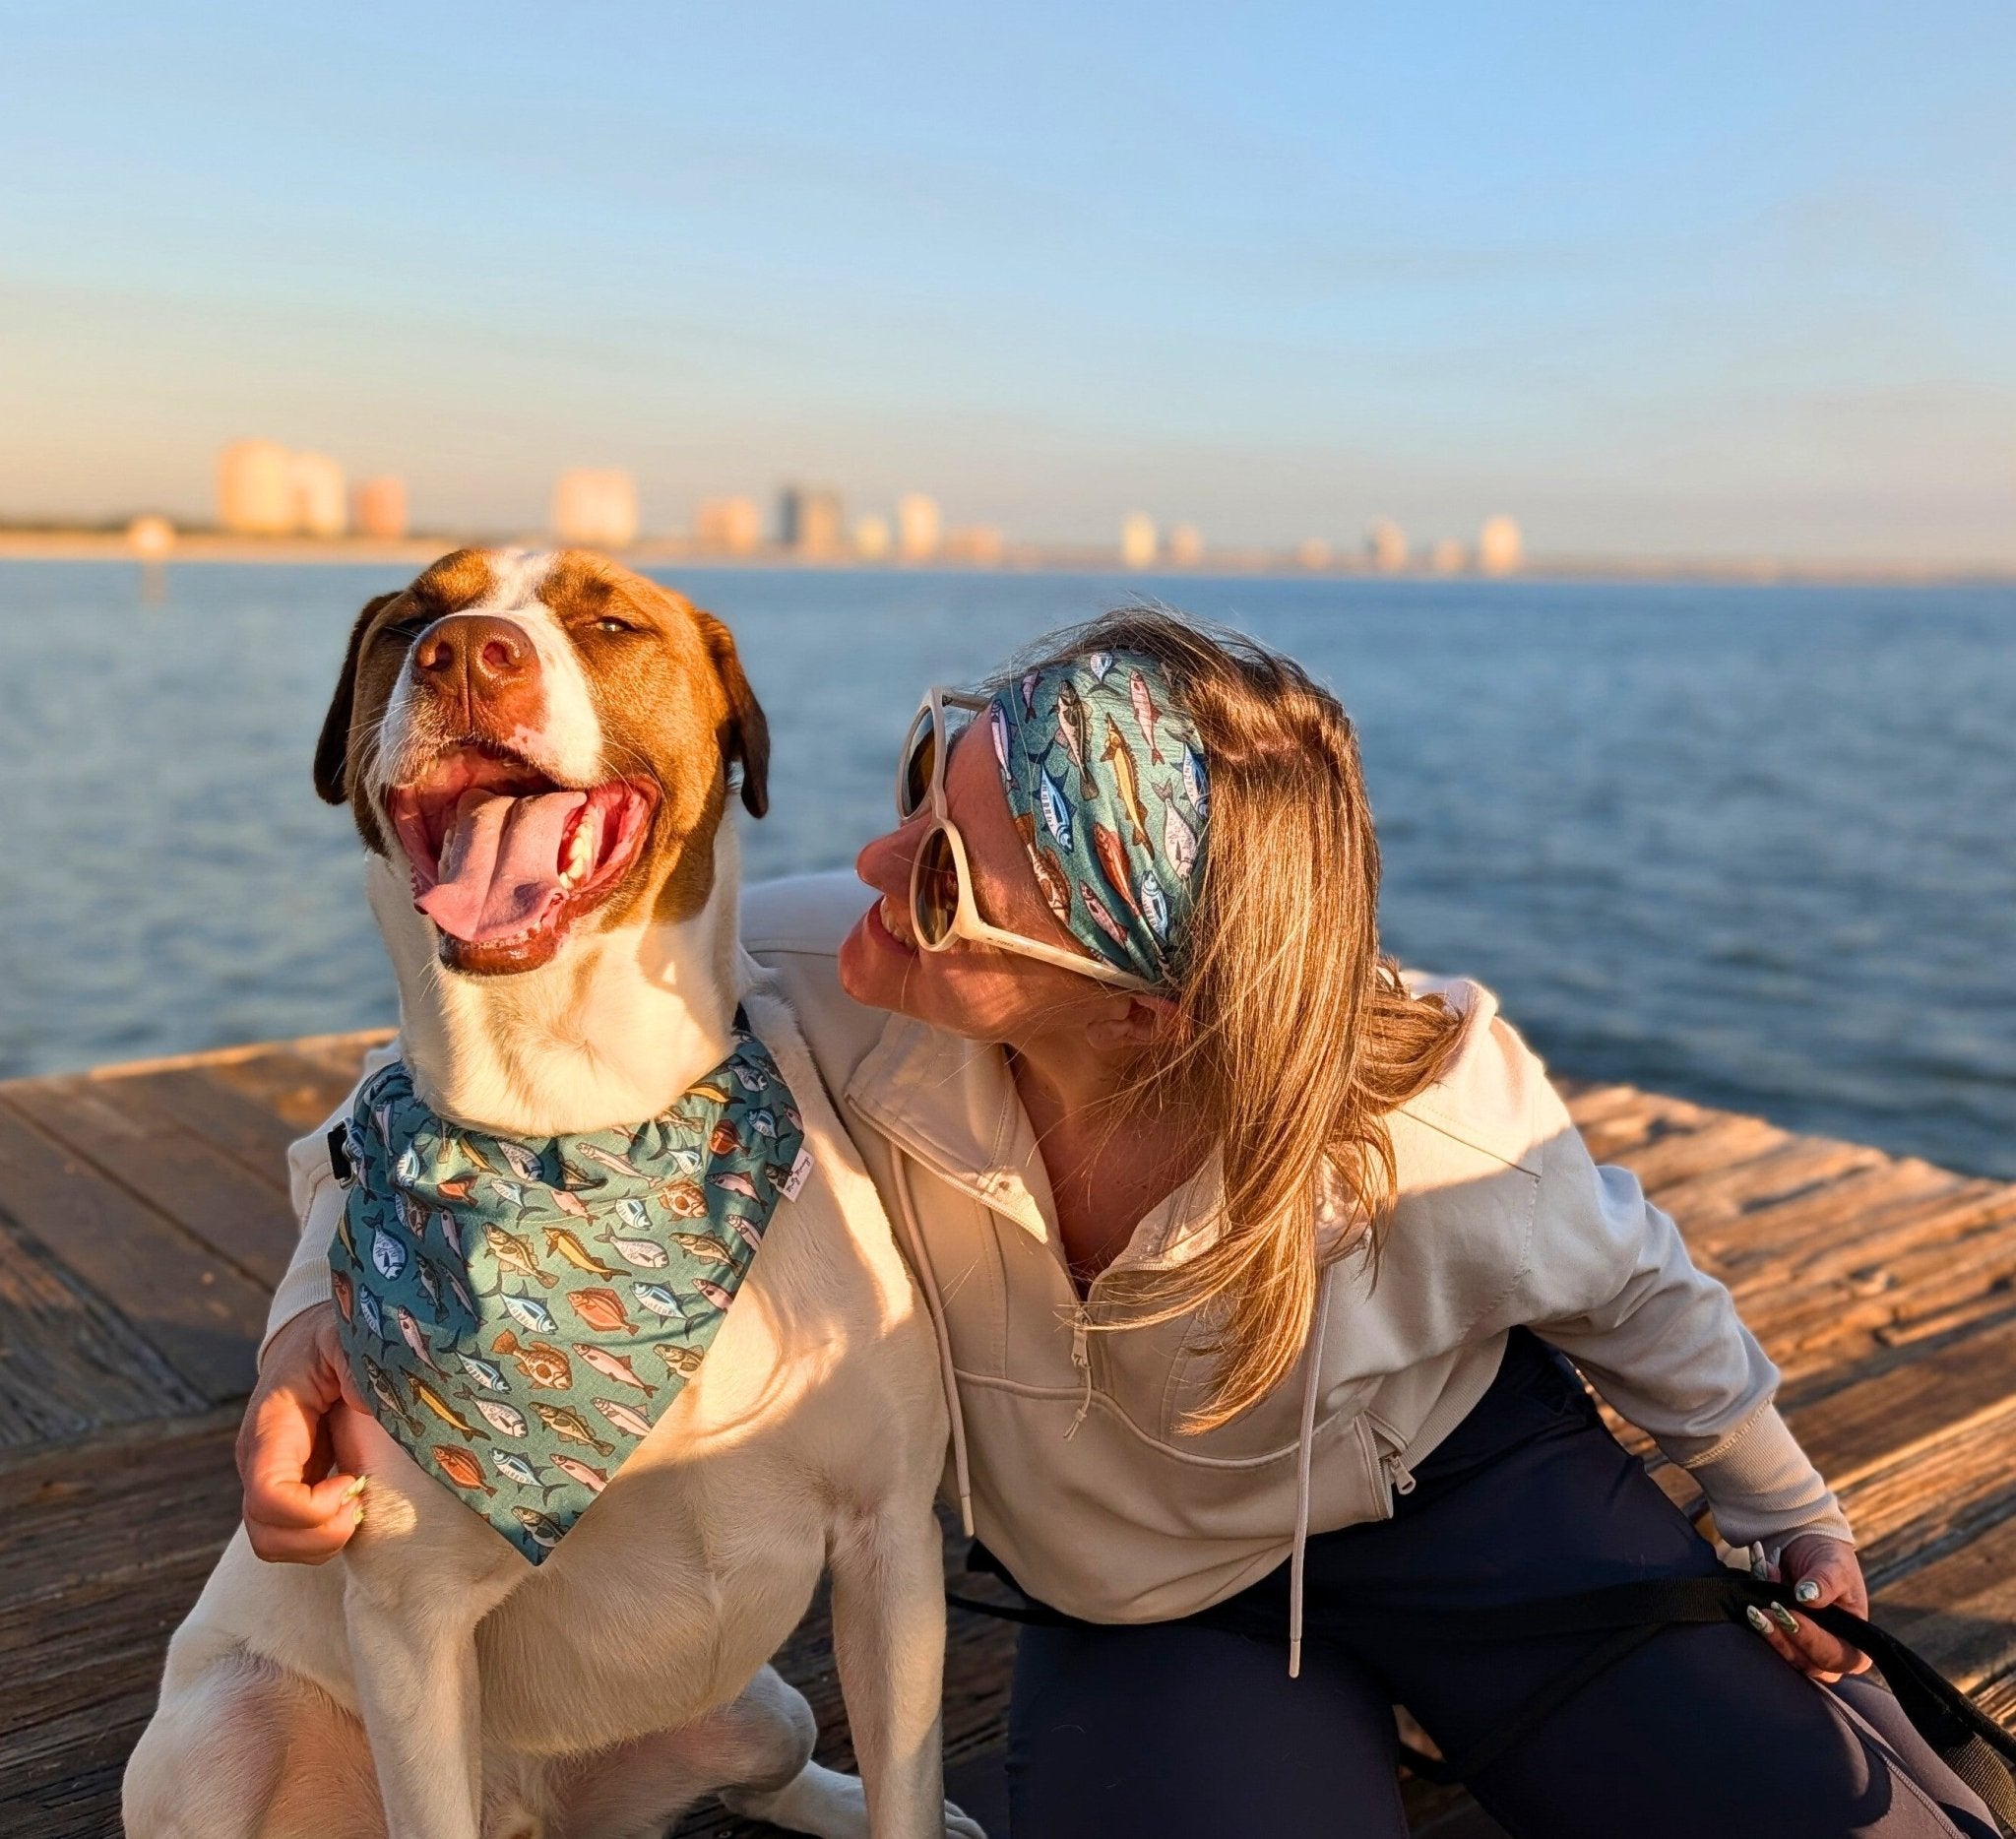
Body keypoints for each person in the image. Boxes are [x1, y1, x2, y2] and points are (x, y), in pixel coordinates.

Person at [242, 610, 1999, 1838]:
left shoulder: (1431, 1113)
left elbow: (1639, 1287)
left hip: (1471, 1508)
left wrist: (1787, 1511)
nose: (874, 861)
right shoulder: (815, 977)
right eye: (926, 777)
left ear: (1147, 1010)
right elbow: (401, 1125)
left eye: (945, 876)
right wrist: (310, 1328)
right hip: (1155, 1605)